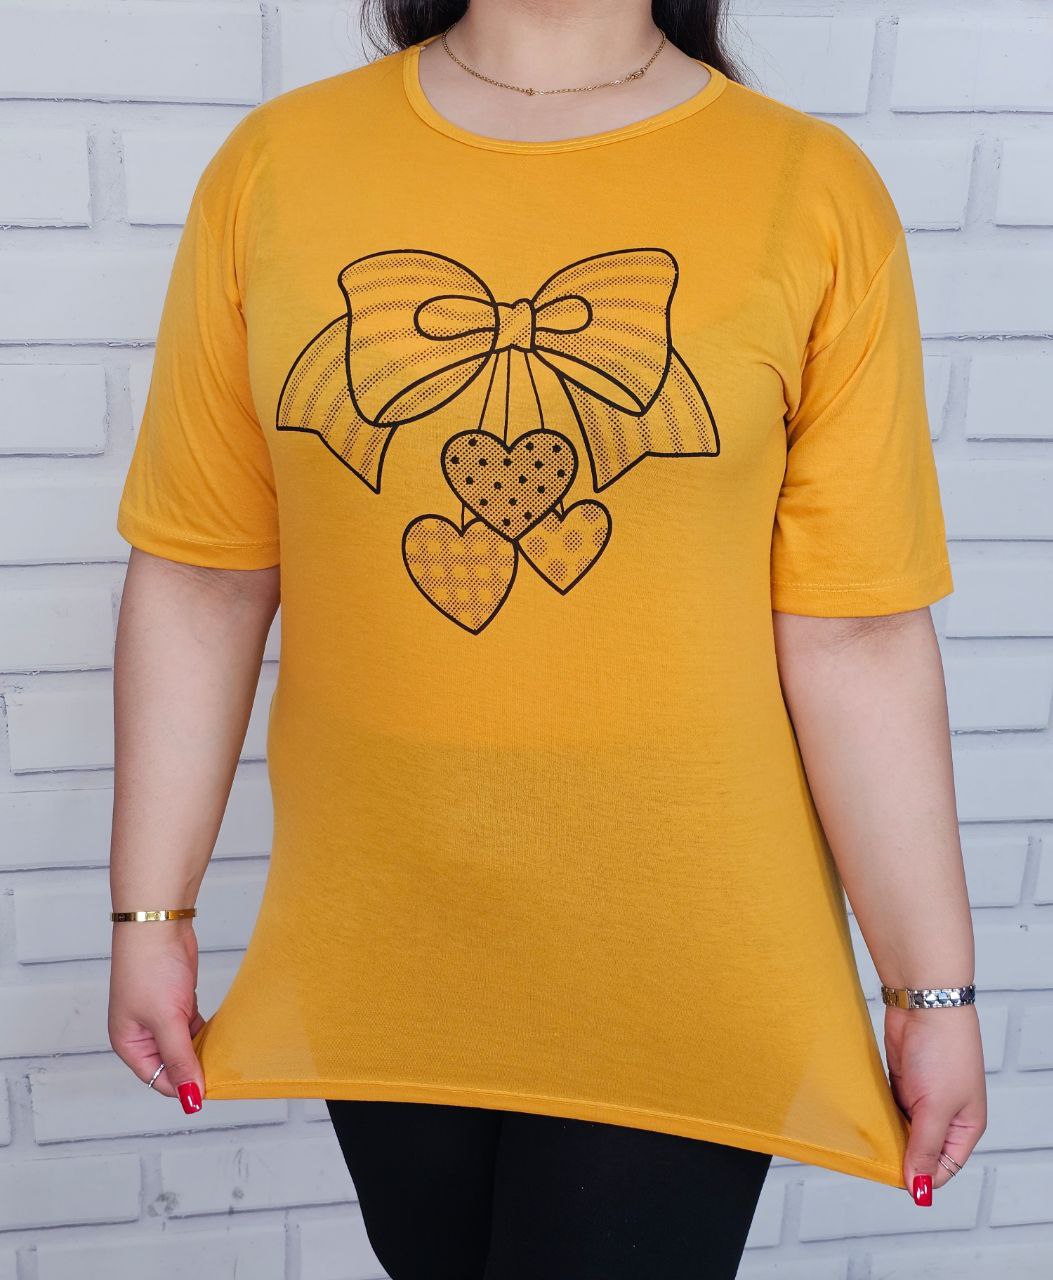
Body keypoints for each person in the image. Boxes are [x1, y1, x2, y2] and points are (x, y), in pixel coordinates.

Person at [107, 0, 987, 1275]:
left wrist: (930, 987)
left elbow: (857, 633)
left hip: (689, 956)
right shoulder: (276, 168)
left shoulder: (808, 189)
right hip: (386, 939)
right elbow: (203, 577)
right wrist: (149, 908)